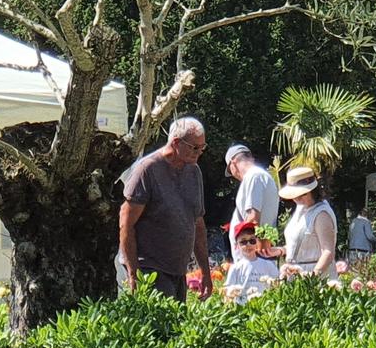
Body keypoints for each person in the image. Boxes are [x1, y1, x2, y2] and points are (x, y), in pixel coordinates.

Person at [120, 117, 214, 301]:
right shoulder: (147, 170)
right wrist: (134, 275)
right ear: (177, 143)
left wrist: (205, 271)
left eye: (203, 147)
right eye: (195, 147)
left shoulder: (194, 172)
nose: (199, 153)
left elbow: (198, 223)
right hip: (150, 269)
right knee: (163, 327)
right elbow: (126, 224)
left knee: (177, 326)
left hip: (178, 270)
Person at [280, 164, 339, 278]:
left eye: (301, 194)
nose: (296, 198)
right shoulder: (300, 208)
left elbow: (328, 252)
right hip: (295, 275)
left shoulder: (322, 214)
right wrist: (280, 251)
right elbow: (299, 245)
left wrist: (312, 277)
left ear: (312, 190)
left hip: (317, 277)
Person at [225, 143, 281, 233]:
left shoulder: (254, 176)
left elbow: (253, 219)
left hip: (254, 245)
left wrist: (247, 243)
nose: (233, 175)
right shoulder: (257, 176)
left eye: (230, 171)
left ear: (233, 163)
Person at [222, 218, 280, 301]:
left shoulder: (268, 265)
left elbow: (277, 286)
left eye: (252, 240)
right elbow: (228, 292)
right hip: (242, 308)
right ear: (236, 246)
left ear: (257, 242)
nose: (248, 244)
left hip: (264, 306)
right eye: (243, 242)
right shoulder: (235, 268)